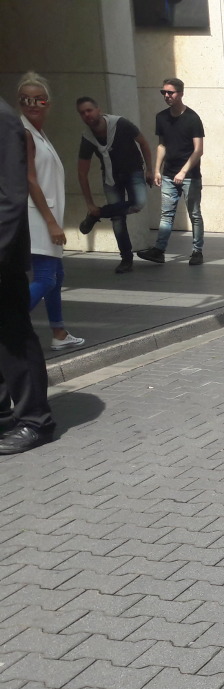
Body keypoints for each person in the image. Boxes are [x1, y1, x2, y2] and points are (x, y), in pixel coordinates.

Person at [0, 87, 58, 454]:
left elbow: (11, 194)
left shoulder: (3, 119)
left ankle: (35, 420)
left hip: (2, 254)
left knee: (14, 336)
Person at [19, 73, 84, 352]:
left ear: (48, 103)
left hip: (46, 216)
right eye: (26, 99)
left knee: (56, 276)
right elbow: (30, 179)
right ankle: (6, 323)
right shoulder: (24, 133)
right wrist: (50, 223)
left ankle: (58, 332)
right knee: (46, 278)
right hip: (38, 218)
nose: (33, 104)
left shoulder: (38, 133)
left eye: (39, 99)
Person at [75, 97, 153, 274]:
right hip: (111, 178)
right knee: (118, 219)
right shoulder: (88, 137)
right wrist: (89, 203)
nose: (87, 115)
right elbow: (82, 172)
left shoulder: (120, 124)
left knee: (138, 203)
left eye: (89, 110)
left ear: (98, 109)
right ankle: (126, 259)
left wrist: (150, 169)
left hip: (133, 171)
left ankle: (98, 214)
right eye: (82, 112)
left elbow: (143, 143)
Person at [140, 77, 204, 266]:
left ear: (181, 94)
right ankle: (159, 250)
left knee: (194, 214)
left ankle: (197, 251)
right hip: (168, 174)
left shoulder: (192, 118)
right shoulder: (161, 117)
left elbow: (198, 149)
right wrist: (156, 170)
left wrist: (183, 171)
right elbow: (162, 145)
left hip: (190, 177)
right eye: (164, 92)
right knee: (166, 214)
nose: (166, 96)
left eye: (170, 92)